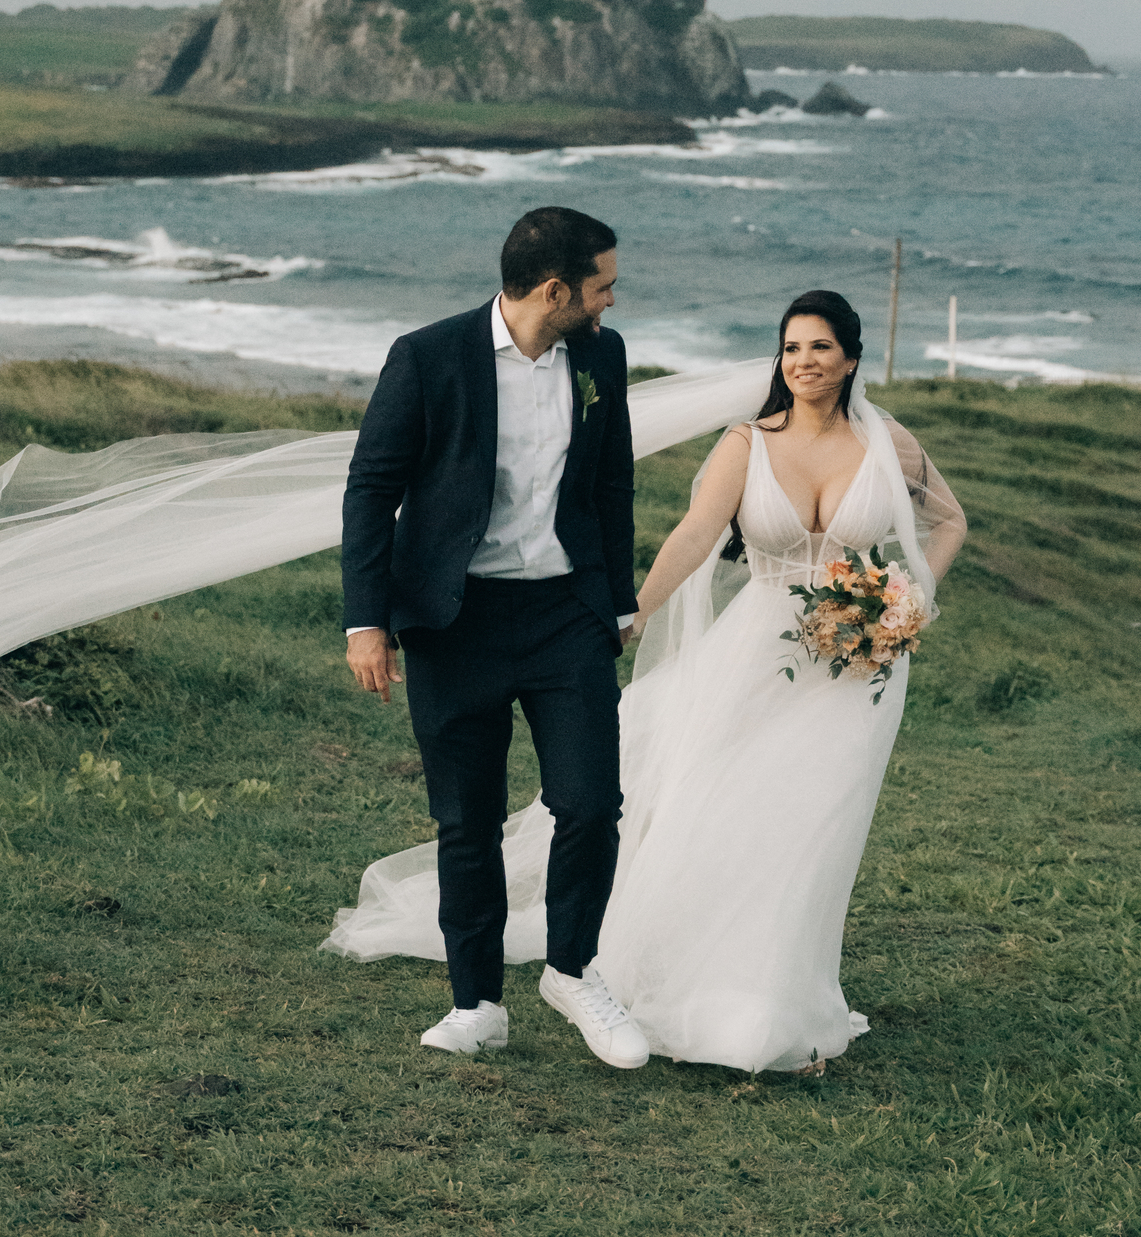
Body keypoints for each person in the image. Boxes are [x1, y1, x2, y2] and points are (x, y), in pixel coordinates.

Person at [326, 289, 966, 1076]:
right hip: (757, 657)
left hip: (856, 670)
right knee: (731, 811)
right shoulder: (748, 442)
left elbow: (950, 521)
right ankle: (699, 981)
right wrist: (629, 613)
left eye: (821, 348)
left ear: (852, 358)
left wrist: (906, 606)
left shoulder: (887, 442)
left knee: (816, 825)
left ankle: (788, 993)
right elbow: (697, 533)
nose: (803, 362)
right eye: (792, 347)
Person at [337, 205, 650, 1068]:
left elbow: (613, 483)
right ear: (555, 290)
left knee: (591, 803)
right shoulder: (428, 357)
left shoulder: (601, 356)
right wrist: (367, 621)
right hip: (455, 620)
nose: (610, 303)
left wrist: (616, 601)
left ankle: (573, 968)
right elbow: (371, 490)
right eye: (602, 287)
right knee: (465, 822)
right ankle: (477, 1002)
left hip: (564, 617)